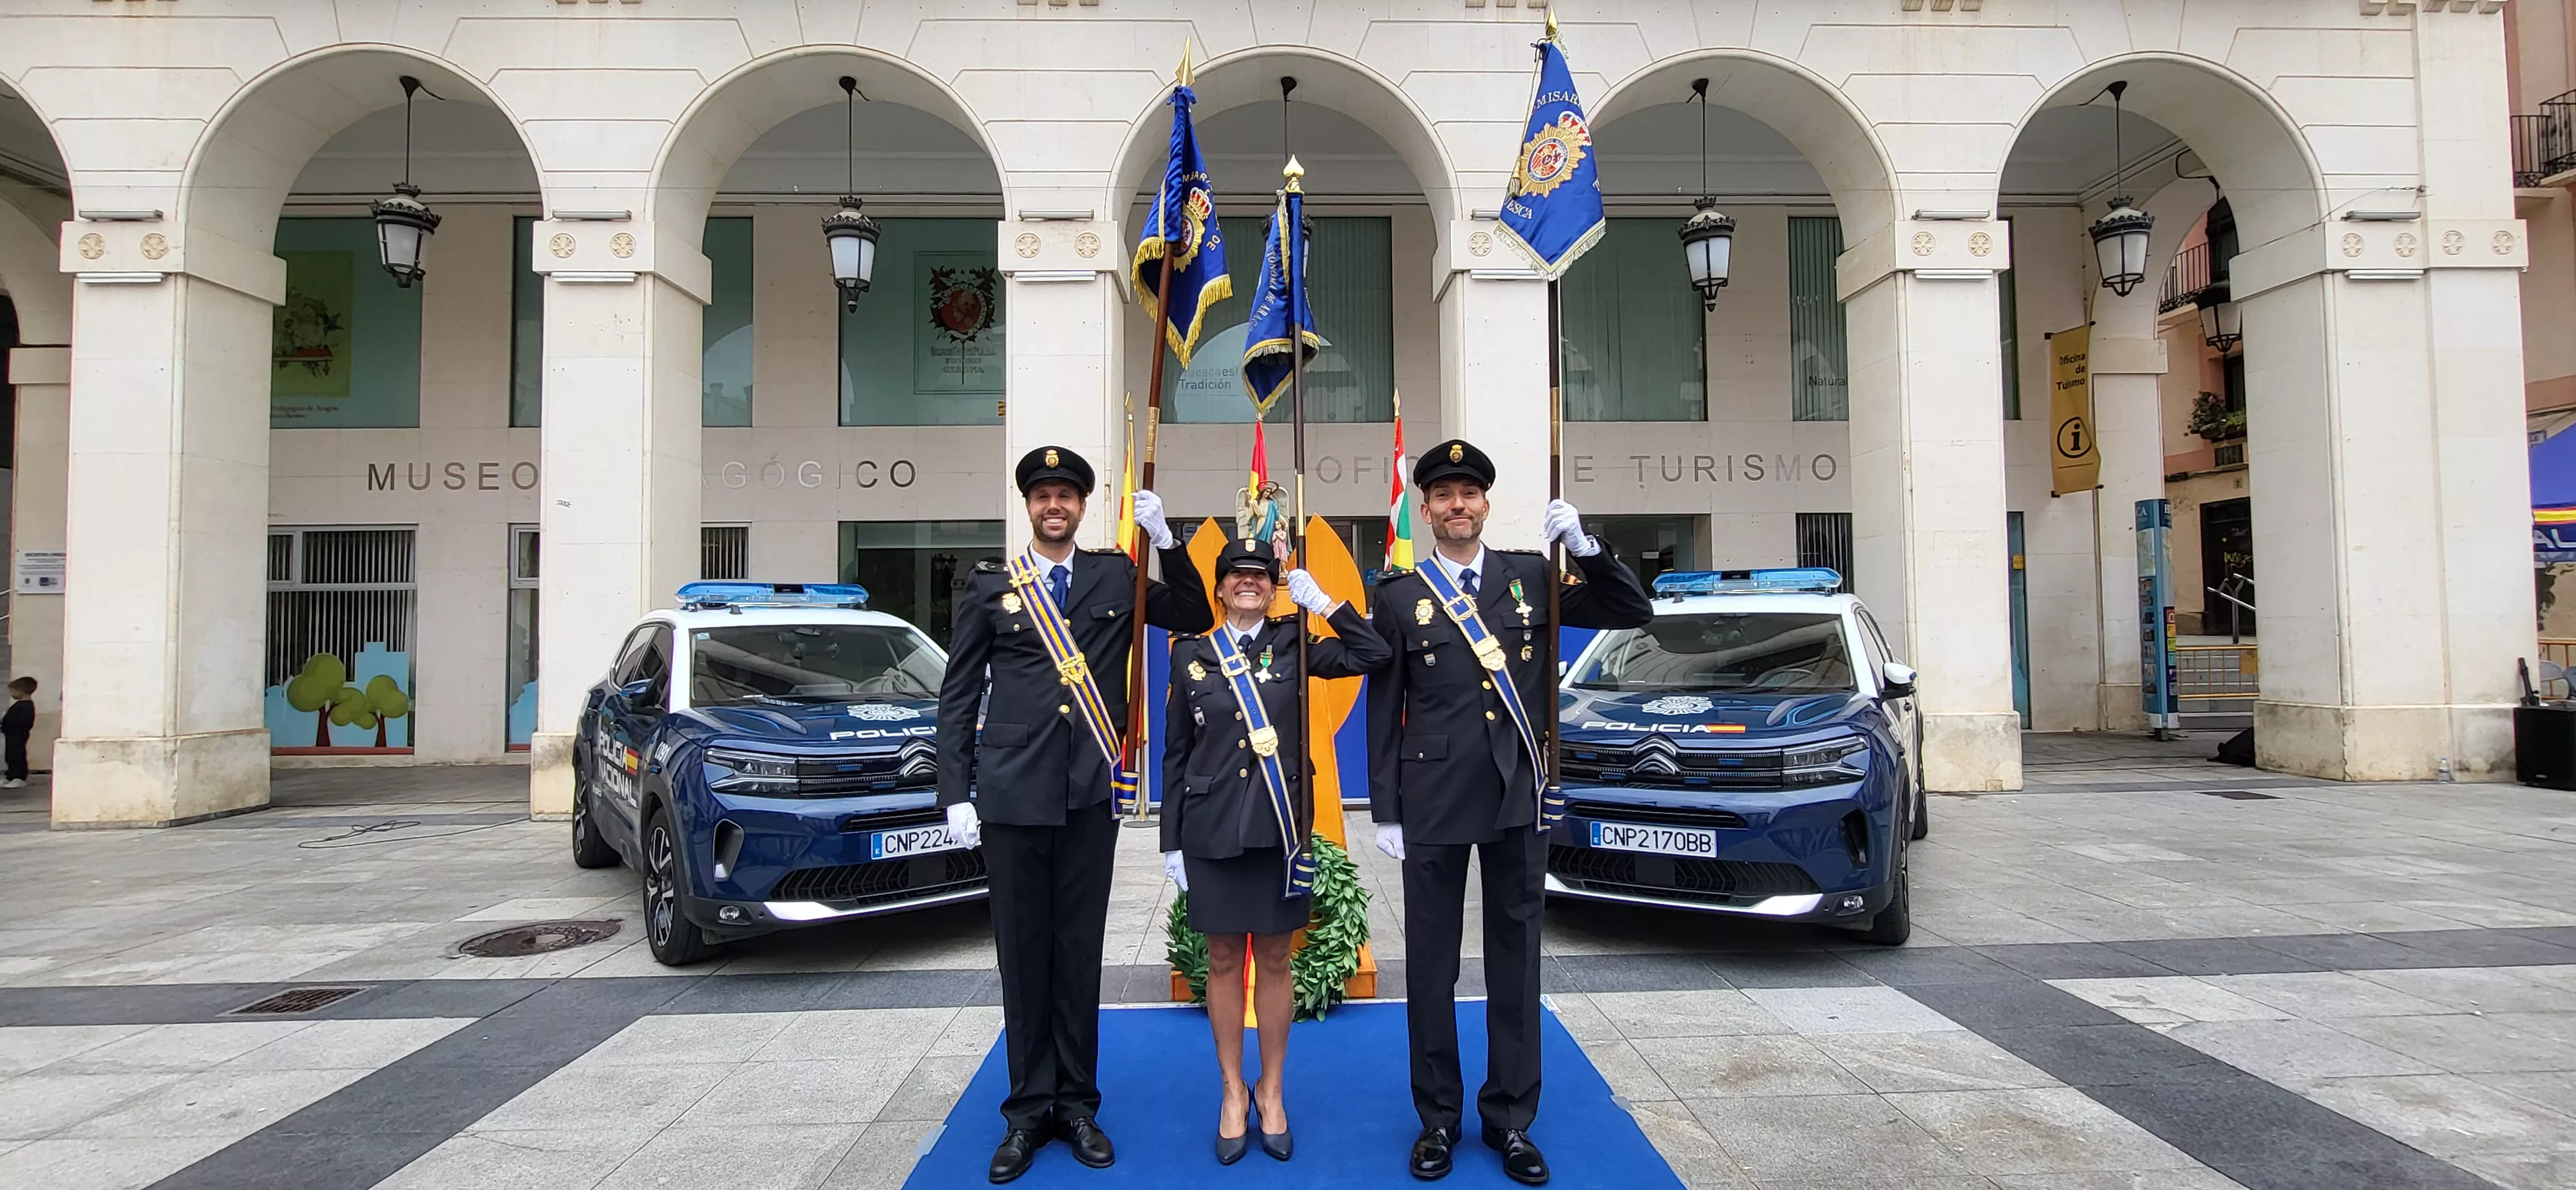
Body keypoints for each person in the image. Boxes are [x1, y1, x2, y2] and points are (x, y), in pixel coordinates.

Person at [1367, 439, 1653, 1185]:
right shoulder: (1400, 594)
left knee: (1515, 960)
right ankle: (1436, 1119)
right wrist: (1385, 807)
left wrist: (1587, 549)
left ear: (1485, 504)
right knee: (1430, 965)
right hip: (1431, 796)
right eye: (1443, 495)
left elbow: (1630, 608)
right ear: (1424, 508)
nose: (1457, 505)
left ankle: (1509, 1120)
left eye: (1469, 493)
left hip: (1514, 793)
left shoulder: (1532, 575)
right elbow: (1385, 702)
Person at [936, 446, 1213, 1184]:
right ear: (1028, 506)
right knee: (1022, 956)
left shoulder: (1115, 576)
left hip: (1088, 795)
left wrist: (1167, 541)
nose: (1054, 505)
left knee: (1077, 952)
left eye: (1066, 495)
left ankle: (1078, 1105)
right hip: (1009, 798)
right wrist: (953, 790)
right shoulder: (991, 587)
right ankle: (1028, 1111)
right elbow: (958, 693)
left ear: (1084, 506)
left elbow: (1194, 612)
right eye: (1043, 495)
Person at [1159, 536, 1391, 1166]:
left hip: (1279, 830)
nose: (1248, 583)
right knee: (1224, 959)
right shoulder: (1192, 656)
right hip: (1211, 833)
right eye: (1236, 574)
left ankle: (1273, 1090)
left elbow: (1374, 652)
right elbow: (1176, 754)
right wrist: (1169, 839)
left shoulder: (1294, 643)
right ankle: (1233, 1090)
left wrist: (1331, 605)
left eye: (1261, 575)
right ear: (1218, 586)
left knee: (1277, 960)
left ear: (1273, 586)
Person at [1, 677, 32, 789]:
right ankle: (10, 776)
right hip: (11, 734)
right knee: (10, 754)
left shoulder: (26, 706)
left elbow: (23, 722)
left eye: (13, 691)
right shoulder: (19, 705)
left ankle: (19, 776)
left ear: (20, 691)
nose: (11, 694)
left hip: (18, 734)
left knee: (17, 754)